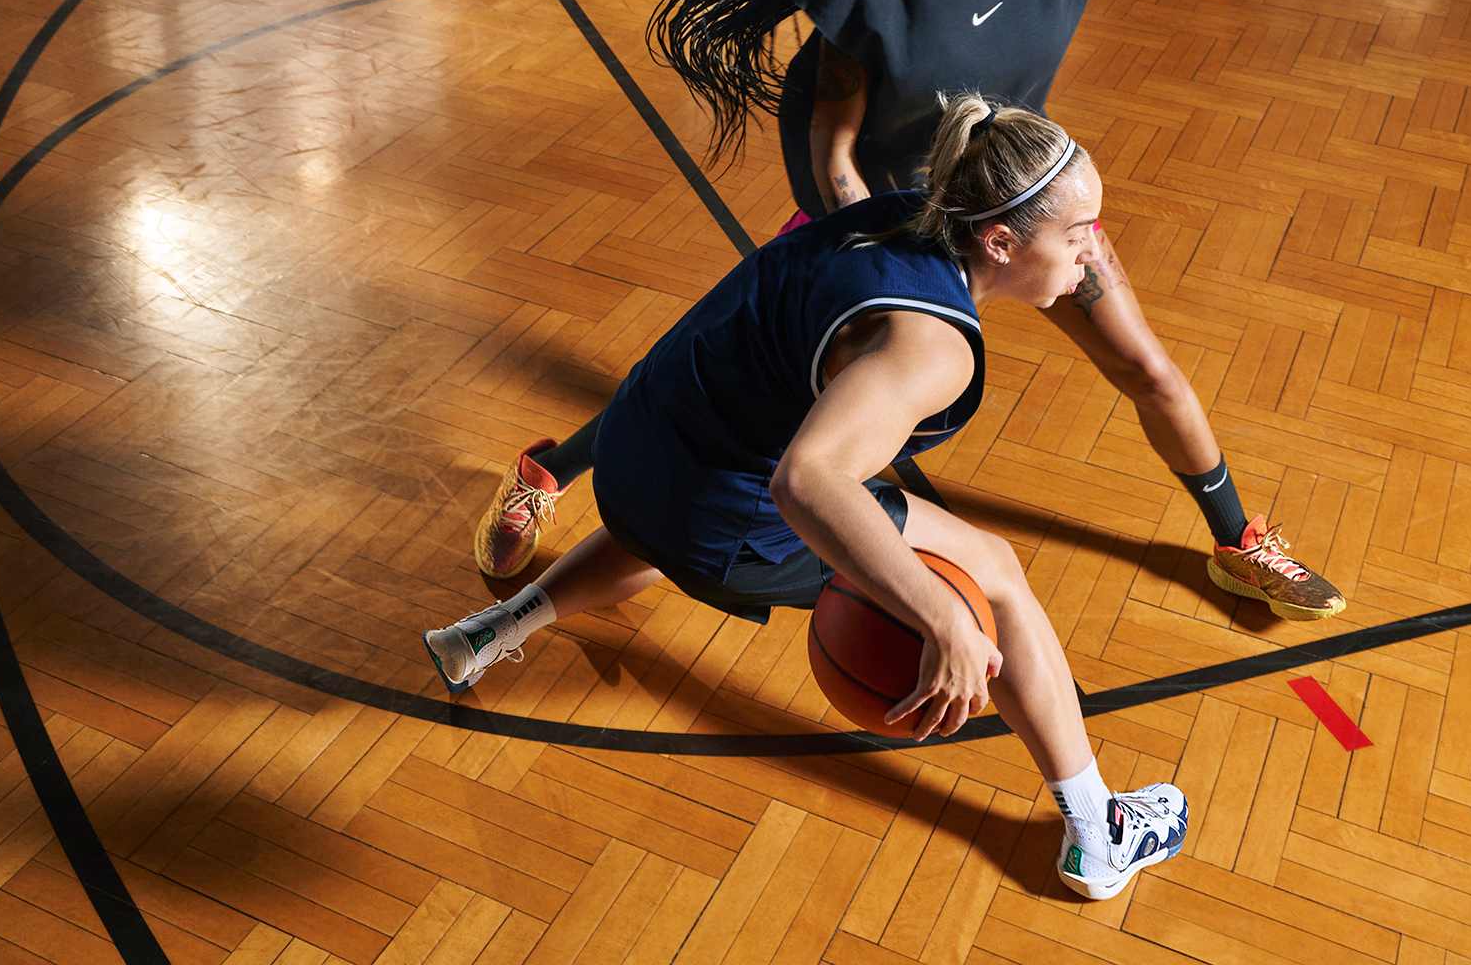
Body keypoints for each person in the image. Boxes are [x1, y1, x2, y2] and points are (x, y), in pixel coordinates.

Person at [471, 0, 1471, 619]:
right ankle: (547, 471)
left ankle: (1236, 540)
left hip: (1016, 193)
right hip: (890, 215)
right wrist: (867, 273)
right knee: (729, 367)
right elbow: (835, 150)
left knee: (1149, 369)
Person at [429, 98, 1187, 901]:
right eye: (1077, 236)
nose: (1094, 256)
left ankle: (482, 635)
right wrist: (939, 616)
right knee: (993, 568)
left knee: (698, 490)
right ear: (999, 241)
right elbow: (806, 482)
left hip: (632, 451)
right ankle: (1099, 832)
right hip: (715, 515)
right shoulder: (932, 350)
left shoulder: (898, 217)